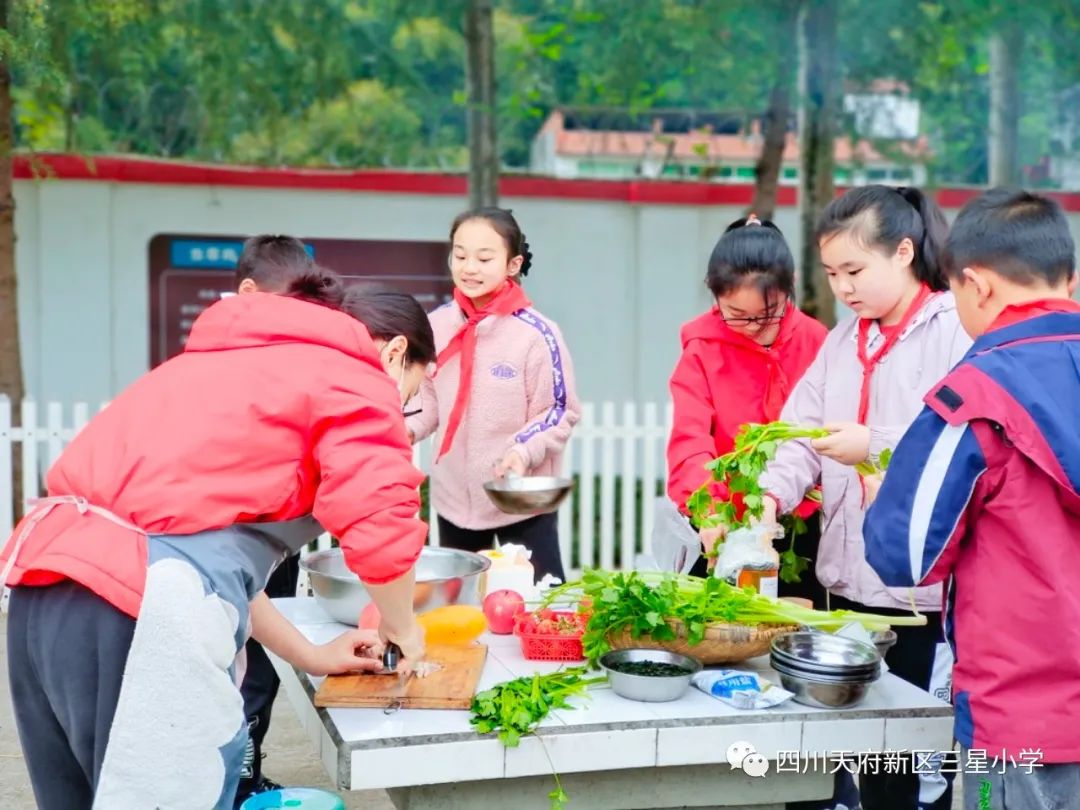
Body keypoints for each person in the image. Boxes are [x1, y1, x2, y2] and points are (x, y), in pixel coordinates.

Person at [2, 267, 435, 810]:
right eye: (412, 394)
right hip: (140, 610)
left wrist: (311, 654)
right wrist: (404, 628)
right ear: (396, 354)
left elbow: (196, 550)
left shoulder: (221, 364)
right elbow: (382, 523)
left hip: (44, 593)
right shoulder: (355, 377)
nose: (402, 412)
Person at [863, 188, 1080, 810]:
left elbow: (904, 556)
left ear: (976, 285)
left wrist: (885, 497)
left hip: (1021, 721)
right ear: (1069, 278)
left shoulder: (973, 398)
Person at [756, 186, 971, 810]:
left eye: (855, 270)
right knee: (850, 755)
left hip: (916, 596)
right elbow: (800, 436)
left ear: (904, 252)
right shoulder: (842, 339)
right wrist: (769, 496)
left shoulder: (952, 329)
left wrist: (872, 442)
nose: (843, 287)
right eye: (831, 273)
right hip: (844, 584)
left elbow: (961, 441)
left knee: (906, 764)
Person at [407, 207, 580, 583]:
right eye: (461, 254)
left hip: (518, 500)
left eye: (484, 258)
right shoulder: (436, 325)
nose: (470, 267)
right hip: (454, 501)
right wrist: (403, 430)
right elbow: (428, 402)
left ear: (513, 263)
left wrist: (521, 451)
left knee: (540, 606)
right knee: (465, 614)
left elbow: (559, 410)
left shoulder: (537, 334)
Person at [666, 215, 827, 600]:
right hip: (722, 521)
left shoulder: (817, 342)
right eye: (736, 315)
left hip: (797, 529)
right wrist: (709, 509)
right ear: (715, 295)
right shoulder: (702, 349)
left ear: (790, 290)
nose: (753, 326)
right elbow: (690, 440)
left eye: (767, 314)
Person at [230, 235, 319, 803]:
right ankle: (228, 782)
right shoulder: (216, 363)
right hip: (230, 543)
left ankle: (246, 777)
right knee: (228, 667)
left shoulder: (301, 361)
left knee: (260, 670)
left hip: (281, 537)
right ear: (247, 294)